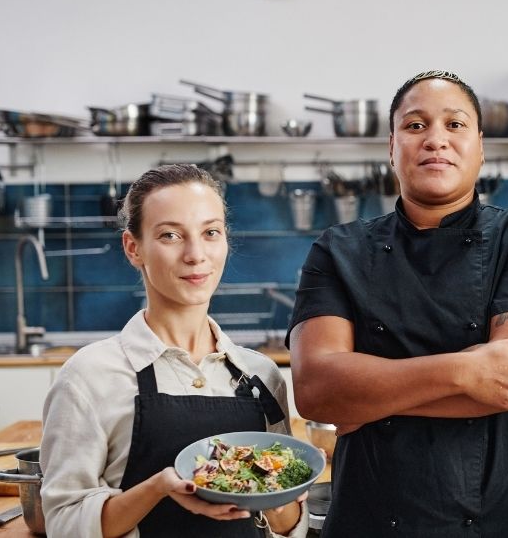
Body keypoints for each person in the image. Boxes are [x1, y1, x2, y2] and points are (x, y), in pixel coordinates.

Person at [287, 70, 508, 537]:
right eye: (415, 125)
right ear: (392, 147)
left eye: (455, 124)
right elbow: (316, 390)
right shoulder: (338, 249)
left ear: (480, 147)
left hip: (501, 517)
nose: (435, 139)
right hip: (371, 519)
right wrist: (465, 370)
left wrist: (365, 399)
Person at [39, 164, 307, 538]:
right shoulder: (87, 377)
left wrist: (281, 497)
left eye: (210, 232)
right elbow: (65, 523)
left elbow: (287, 525)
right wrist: (158, 488)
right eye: (170, 235)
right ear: (134, 248)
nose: (196, 255)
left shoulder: (261, 375)